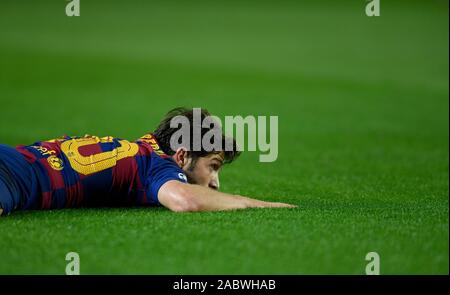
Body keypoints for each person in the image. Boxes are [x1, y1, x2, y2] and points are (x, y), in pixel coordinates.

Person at [0, 107, 295, 216]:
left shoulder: (135, 150)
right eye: (213, 166)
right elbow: (185, 201)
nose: (215, 182)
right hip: (10, 179)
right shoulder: (156, 164)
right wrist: (255, 203)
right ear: (182, 156)